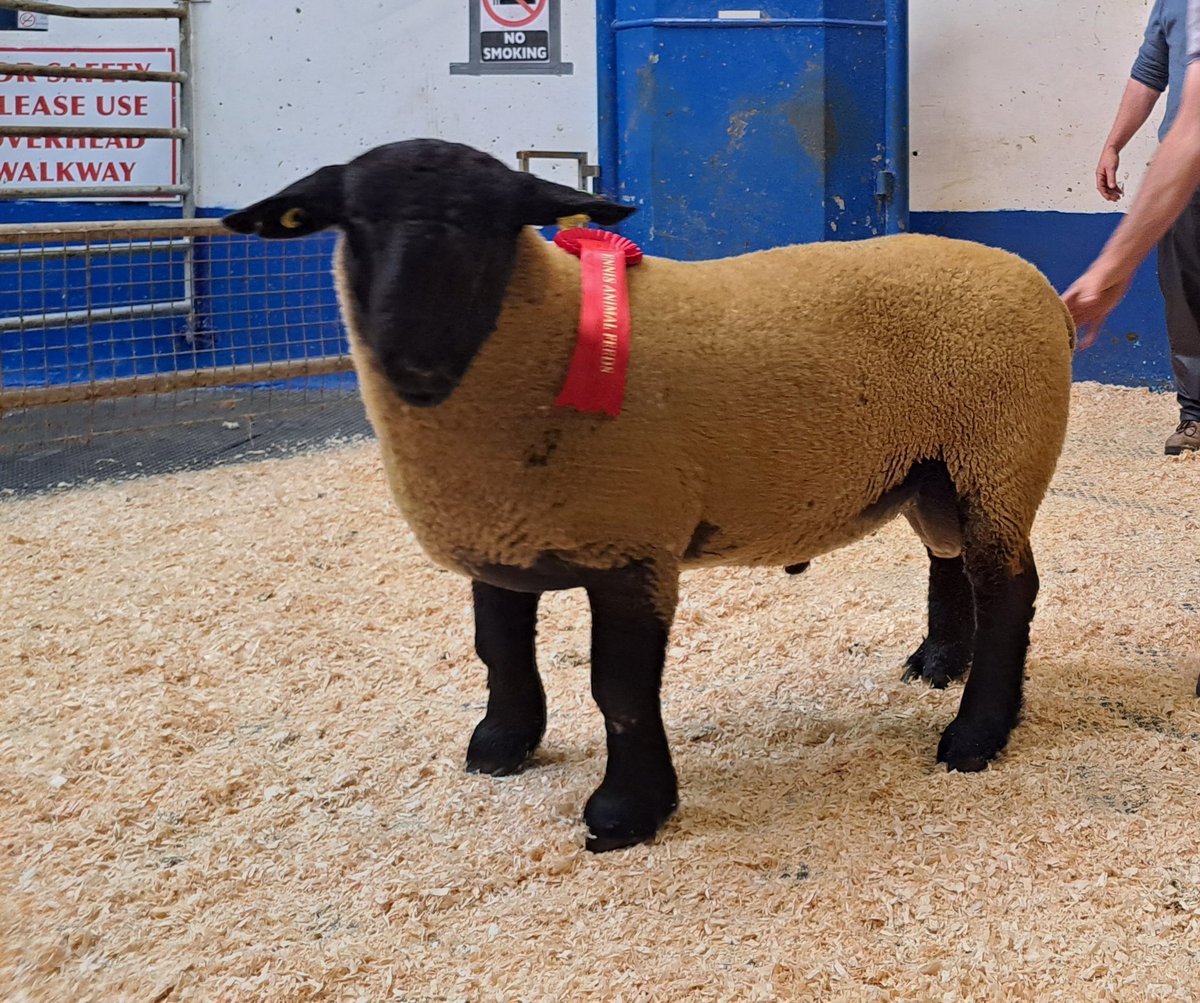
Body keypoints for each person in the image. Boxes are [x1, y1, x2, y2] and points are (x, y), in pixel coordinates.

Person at [1064, 0, 1200, 453]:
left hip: (1188, 161)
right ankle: (1196, 416)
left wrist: (1110, 269)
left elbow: (1194, 131)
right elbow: (1151, 70)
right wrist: (1113, 144)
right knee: (1185, 294)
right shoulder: (1175, 4)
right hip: (1189, 182)